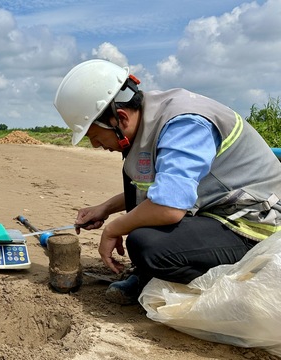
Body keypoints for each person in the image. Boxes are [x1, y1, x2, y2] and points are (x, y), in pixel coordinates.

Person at [53, 59, 281, 305]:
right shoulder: (150, 116)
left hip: (256, 226)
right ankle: (155, 274)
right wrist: (106, 209)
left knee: (147, 246)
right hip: (219, 210)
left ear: (119, 118)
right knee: (132, 176)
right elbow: (161, 187)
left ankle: (232, 291)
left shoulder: (185, 125)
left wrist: (113, 229)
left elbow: (169, 208)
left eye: (95, 136)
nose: (96, 145)